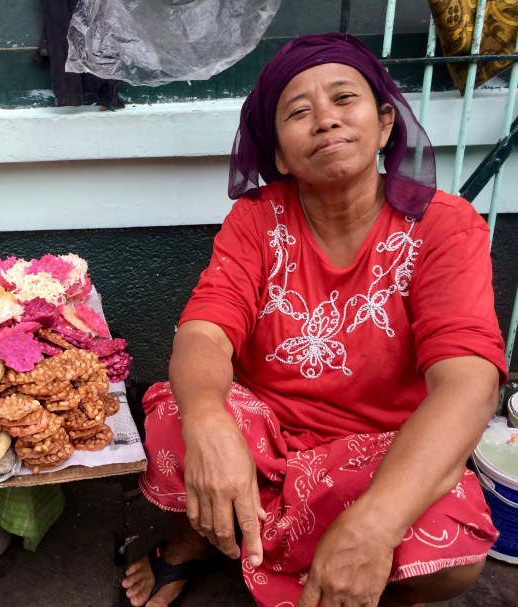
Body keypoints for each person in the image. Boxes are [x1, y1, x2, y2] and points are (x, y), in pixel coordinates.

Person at [121, 32, 506, 607]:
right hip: (266, 434)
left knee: (451, 558)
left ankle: (334, 568)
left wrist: (375, 523)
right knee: (183, 419)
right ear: (278, 154)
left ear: (384, 124)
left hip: (374, 451)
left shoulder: (444, 228)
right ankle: (204, 539)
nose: (325, 120)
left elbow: (468, 380)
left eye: (344, 100)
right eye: (298, 112)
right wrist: (208, 420)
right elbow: (205, 329)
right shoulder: (256, 220)